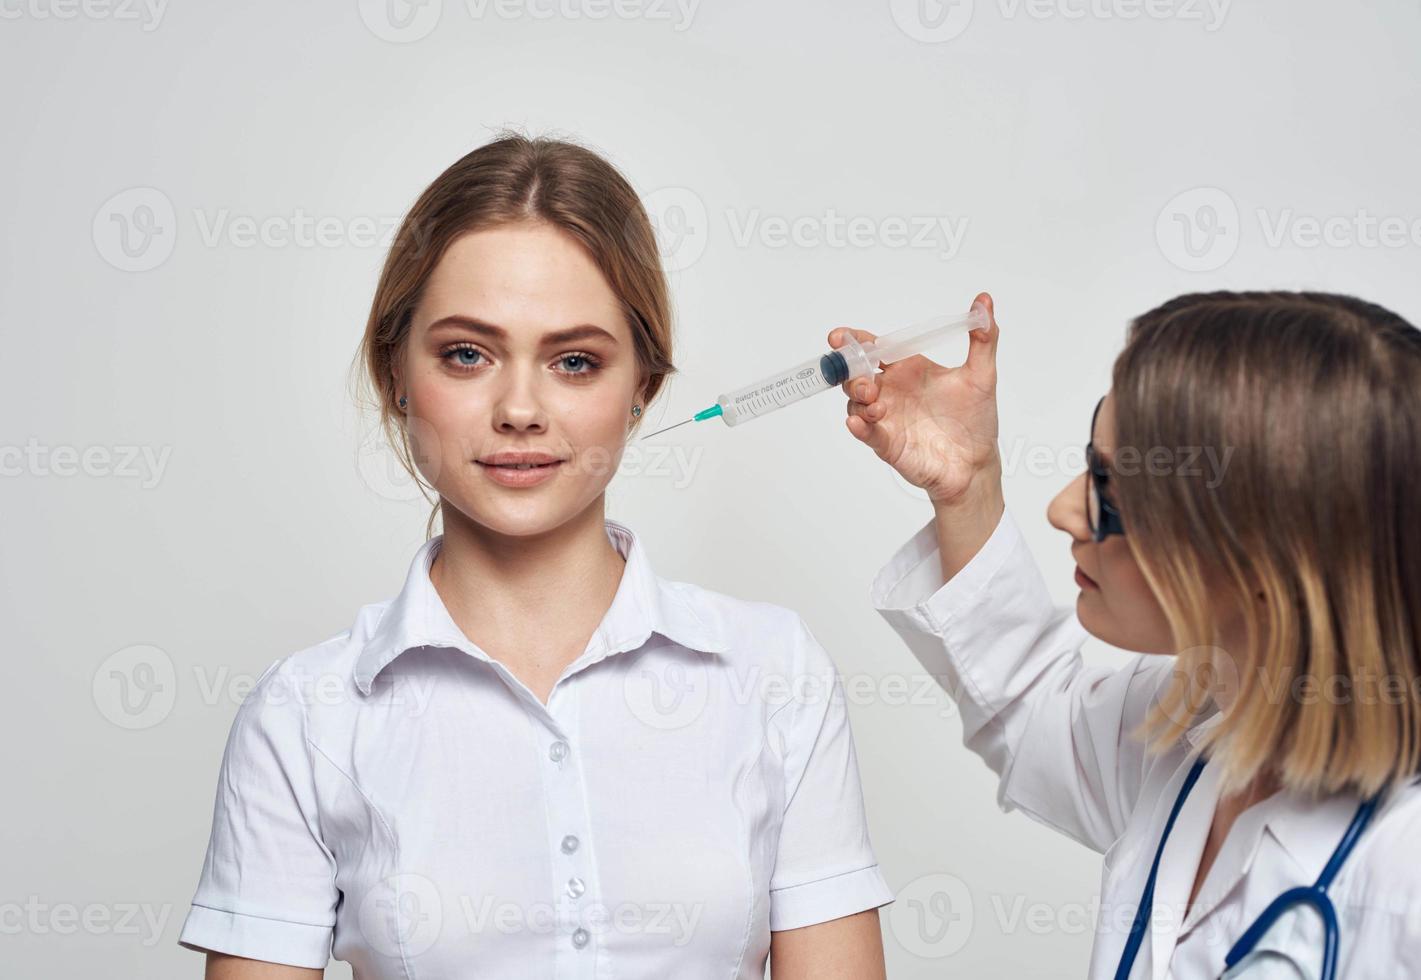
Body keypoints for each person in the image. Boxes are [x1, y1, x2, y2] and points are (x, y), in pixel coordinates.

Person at [176, 134, 893, 980]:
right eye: (467, 354)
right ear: (395, 372)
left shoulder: (772, 672)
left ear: (641, 389)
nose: (519, 408)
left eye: (575, 361)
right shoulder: (304, 717)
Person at [834, 291, 1421, 977]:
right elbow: (1025, 706)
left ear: (1263, 553)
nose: (1063, 511)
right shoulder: (1194, 731)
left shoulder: (1401, 867)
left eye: (1110, 490)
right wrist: (965, 487)